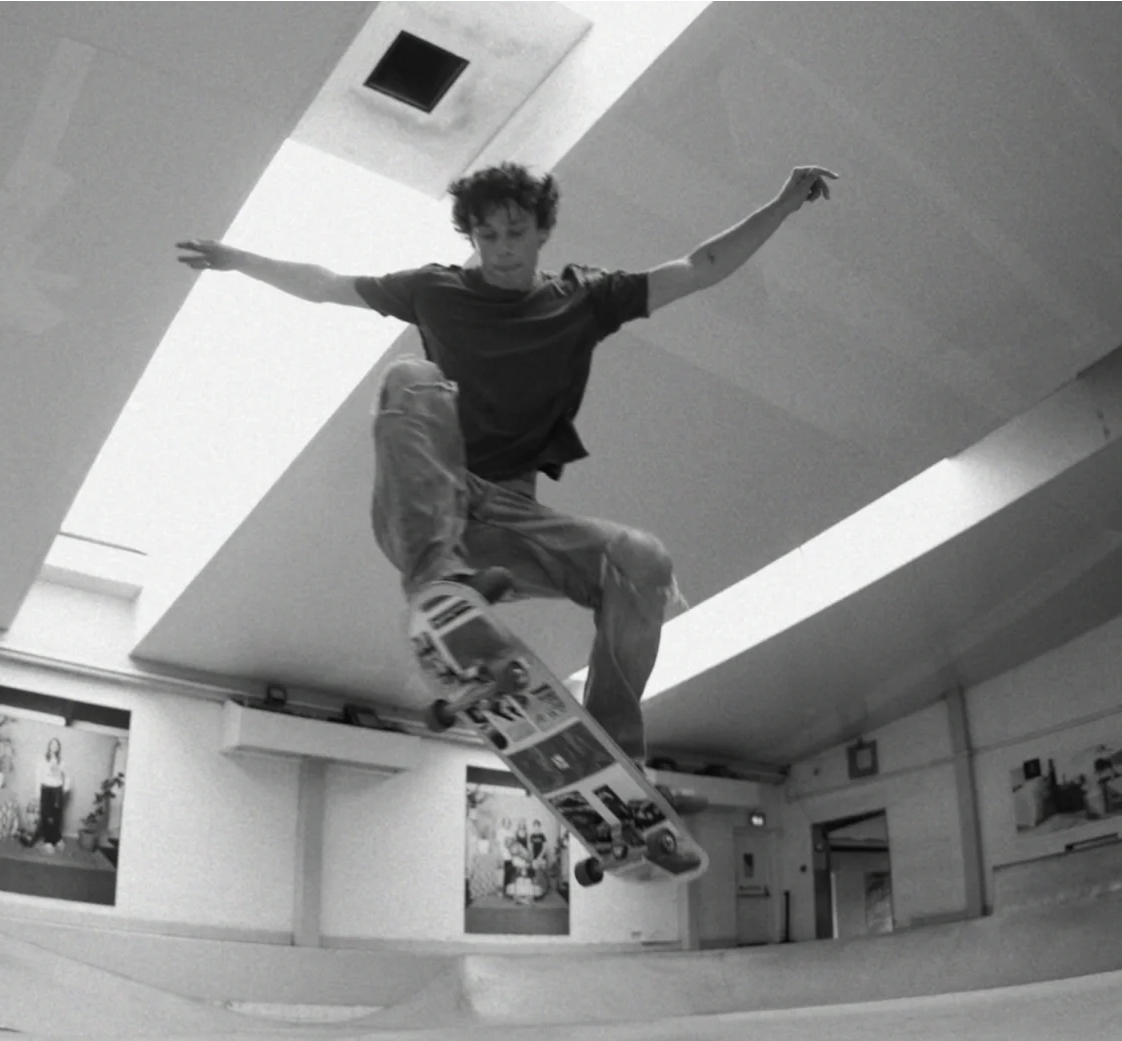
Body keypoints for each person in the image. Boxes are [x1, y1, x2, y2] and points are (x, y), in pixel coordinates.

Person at [177, 160, 837, 805]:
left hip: (510, 525)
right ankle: (440, 591)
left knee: (644, 559)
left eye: (515, 233)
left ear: (543, 230)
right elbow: (326, 284)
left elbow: (700, 268)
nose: (500, 250)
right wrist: (238, 259)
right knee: (412, 377)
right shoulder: (434, 290)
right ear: (471, 236)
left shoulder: (583, 299)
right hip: (429, 499)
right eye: (486, 236)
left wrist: (782, 202)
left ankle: (614, 750)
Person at [37, 738, 72, 853]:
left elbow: (67, 776)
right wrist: (37, 793)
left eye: (56, 745)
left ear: (58, 748)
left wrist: (65, 789)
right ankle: (48, 841)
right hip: (46, 789)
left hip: (57, 790)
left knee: (56, 815)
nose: (54, 746)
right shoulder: (43, 759)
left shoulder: (62, 761)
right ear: (49, 746)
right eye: (52, 744)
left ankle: (57, 839)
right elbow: (38, 776)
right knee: (46, 815)